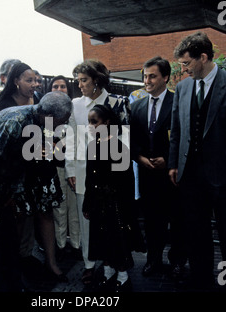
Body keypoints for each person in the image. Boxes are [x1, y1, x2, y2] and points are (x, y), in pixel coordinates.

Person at [0, 91, 73, 292]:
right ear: (51, 116)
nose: (64, 125)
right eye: (64, 121)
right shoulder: (15, 123)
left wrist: (7, 196)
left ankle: (13, 285)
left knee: (8, 240)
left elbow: (20, 163)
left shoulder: (37, 120)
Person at [168, 32, 226, 292]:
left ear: (203, 57)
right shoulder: (183, 87)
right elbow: (177, 130)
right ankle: (201, 278)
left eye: (186, 64)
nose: (183, 70)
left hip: (224, 174)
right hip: (190, 175)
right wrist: (173, 163)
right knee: (196, 231)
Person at [65, 59, 130, 286]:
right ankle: (90, 265)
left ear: (96, 80)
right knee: (87, 219)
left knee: (113, 222)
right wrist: (70, 169)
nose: (80, 85)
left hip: (111, 175)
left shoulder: (116, 102)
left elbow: (124, 139)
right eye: (78, 81)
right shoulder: (74, 104)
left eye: (84, 80)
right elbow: (71, 139)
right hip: (84, 172)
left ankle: (115, 264)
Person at [130, 56, 186, 280]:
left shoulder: (179, 103)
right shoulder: (137, 106)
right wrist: (139, 157)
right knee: (153, 222)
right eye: (145, 76)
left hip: (172, 176)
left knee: (178, 221)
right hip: (148, 176)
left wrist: (169, 159)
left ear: (165, 77)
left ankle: (178, 262)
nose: (147, 80)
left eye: (152, 76)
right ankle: (153, 260)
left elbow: (184, 137)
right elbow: (131, 138)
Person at [83, 104, 144, 292]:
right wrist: (88, 202)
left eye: (95, 122)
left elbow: (126, 181)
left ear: (107, 122)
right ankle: (108, 272)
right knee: (101, 239)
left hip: (116, 204)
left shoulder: (118, 147)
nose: (91, 127)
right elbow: (89, 177)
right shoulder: (92, 146)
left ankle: (123, 275)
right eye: (89, 123)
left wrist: (127, 207)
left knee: (117, 240)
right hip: (98, 203)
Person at [48, 76, 80, 261]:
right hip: (55, 167)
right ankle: (60, 245)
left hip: (74, 165)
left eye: (63, 86)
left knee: (74, 208)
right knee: (58, 209)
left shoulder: (73, 109)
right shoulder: (46, 111)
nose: (59, 89)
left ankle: (76, 244)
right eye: (55, 86)